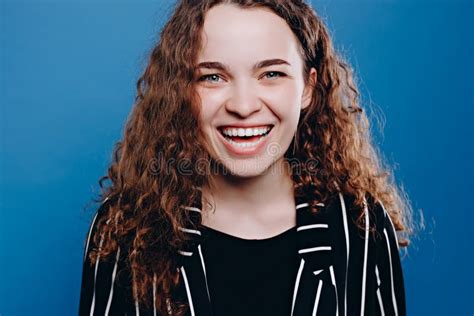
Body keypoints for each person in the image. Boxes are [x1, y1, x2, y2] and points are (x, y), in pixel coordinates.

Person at [79, 1, 413, 315]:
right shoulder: (124, 229)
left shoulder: (360, 226)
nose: (242, 105)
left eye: (271, 74)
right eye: (213, 77)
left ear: (308, 88)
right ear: (182, 91)